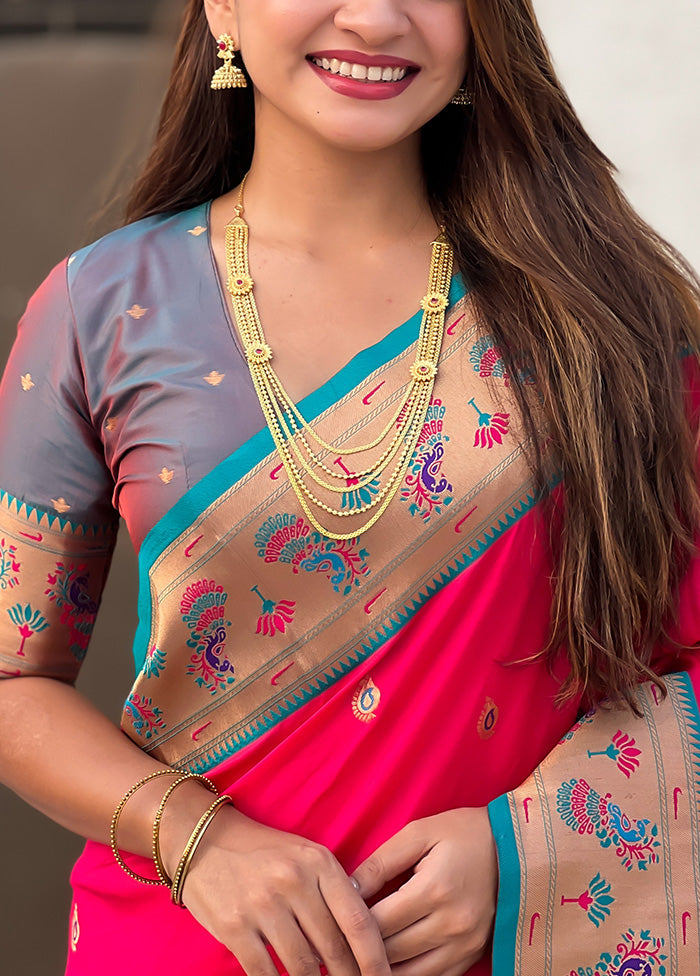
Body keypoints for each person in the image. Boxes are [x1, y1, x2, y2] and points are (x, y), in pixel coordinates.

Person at [1, 1, 699, 974]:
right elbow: (13, 679)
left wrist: (520, 856)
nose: (374, 17)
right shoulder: (98, 312)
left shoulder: (604, 323)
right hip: (181, 941)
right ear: (225, 9)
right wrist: (197, 837)